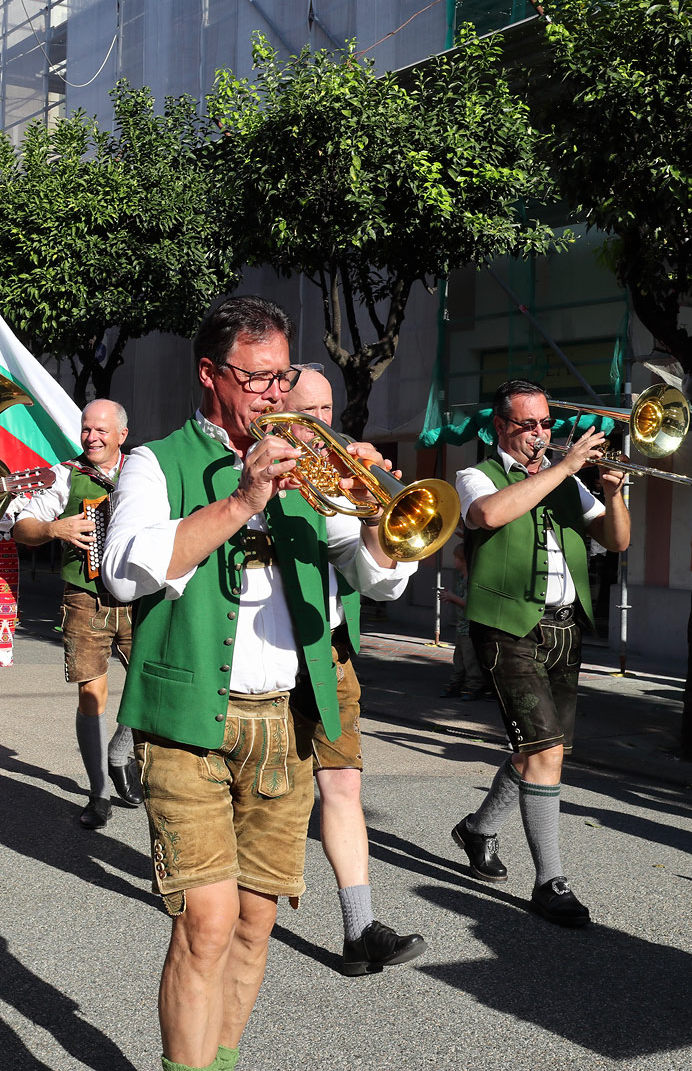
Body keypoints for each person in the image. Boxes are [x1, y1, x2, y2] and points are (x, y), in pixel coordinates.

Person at [102, 296, 413, 1071]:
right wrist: (242, 501)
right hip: (187, 725)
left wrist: (378, 515)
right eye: (259, 379)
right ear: (211, 375)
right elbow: (122, 572)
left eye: (283, 378)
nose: (278, 395)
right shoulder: (155, 462)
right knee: (205, 921)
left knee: (253, 923)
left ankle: (220, 1062)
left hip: (285, 722)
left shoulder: (307, 466)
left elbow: (374, 579)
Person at [448, 379, 629, 928]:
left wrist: (614, 493)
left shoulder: (566, 481)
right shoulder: (477, 475)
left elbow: (617, 540)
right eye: (528, 424)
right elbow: (488, 515)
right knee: (544, 752)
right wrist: (566, 467)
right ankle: (550, 883)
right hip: (507, 626)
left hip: (565, 628)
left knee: (540, 752)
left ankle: (477, 829)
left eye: (546, 423)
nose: (540, 434)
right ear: (499, 427)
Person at [281, 365, 426, 975]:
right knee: (269, 795)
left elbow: (375, 581)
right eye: (308, 414)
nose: (324, 426)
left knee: (342, 785)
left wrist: (373, 511)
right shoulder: (251, 471)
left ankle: (359, 929)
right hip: (263, 660)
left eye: (327, 413)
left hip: (328, 652)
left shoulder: (333, 485)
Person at [13, 398, 139, 828]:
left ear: (122, 434)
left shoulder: (144, 471)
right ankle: (98, 792)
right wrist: (54, 528)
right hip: (85, 596)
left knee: (149, 685)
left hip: (140, 597)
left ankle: (120, 752)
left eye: (101, 429)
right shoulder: (65, 474)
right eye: (87, 429)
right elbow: (22, 528)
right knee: (92, 694)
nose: (92, 437)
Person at [440, 542, 486, 699]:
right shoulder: (461, 578)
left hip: (469, 627)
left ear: (464, 560)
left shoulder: (471, 580)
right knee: (459, 658)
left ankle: (474, 685)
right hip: (461, 626)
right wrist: (450, 597)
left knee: (469, 658)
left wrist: (452, 597)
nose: (453, 561)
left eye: (455, 558)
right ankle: (456, 683)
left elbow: (469, 604)